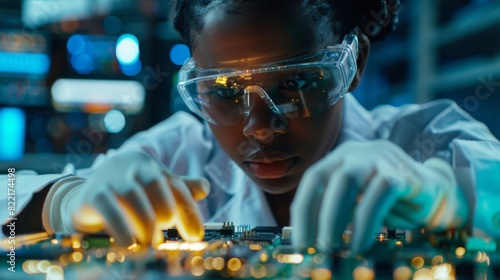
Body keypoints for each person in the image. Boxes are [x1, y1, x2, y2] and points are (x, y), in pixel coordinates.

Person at [2, 0, 500, 254]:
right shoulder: (176, 157)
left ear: (354, 64)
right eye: (221, 92)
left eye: (298, 83)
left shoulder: (427, 141)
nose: (259, 128)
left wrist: (450, 193)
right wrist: (60, 200)